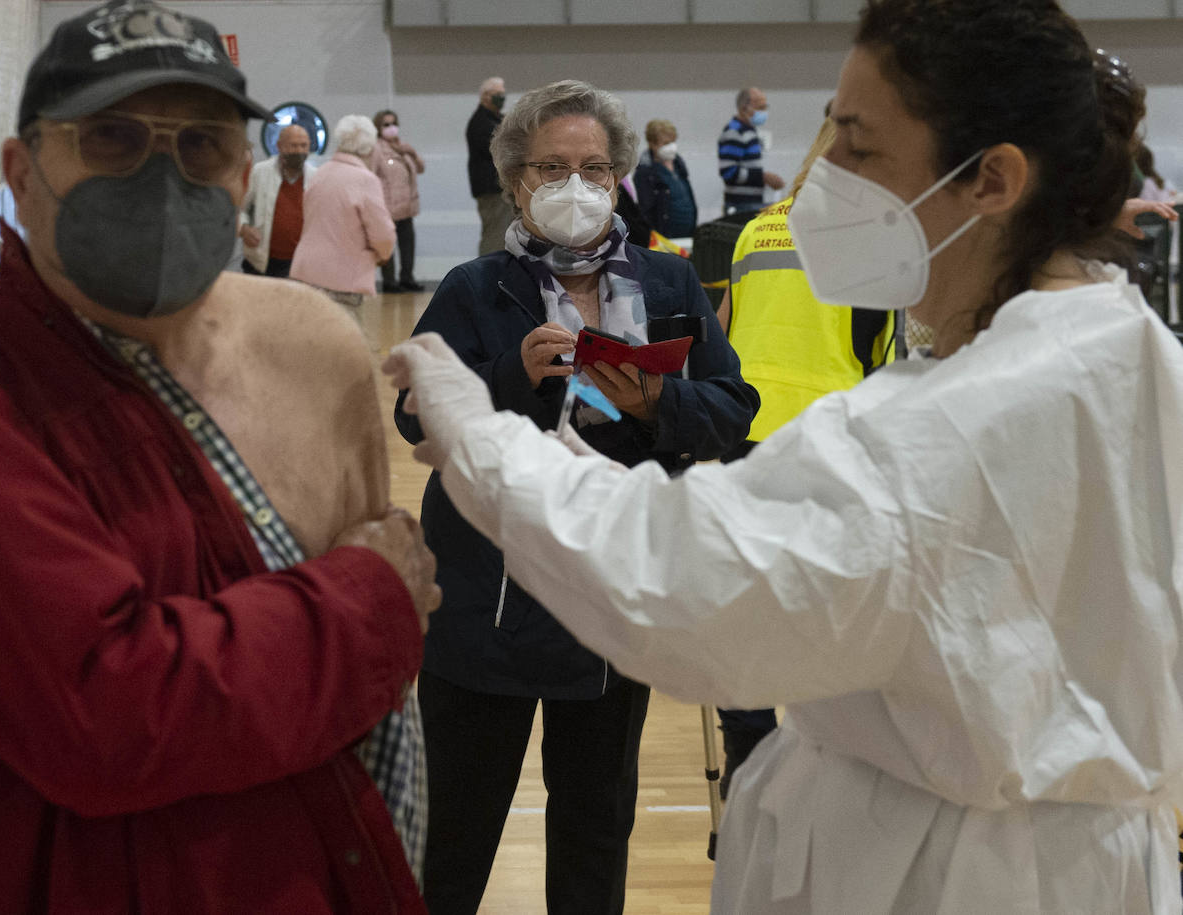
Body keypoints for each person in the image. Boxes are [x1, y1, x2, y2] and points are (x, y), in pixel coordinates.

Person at [384, 2, 1183, 912]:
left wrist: (477, 431)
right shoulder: (1126, 344)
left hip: (953, 876)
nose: (821, 177)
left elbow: (678, 588)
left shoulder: (943, 425)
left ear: (991, 180)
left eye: (856, 145)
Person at [0, 2, 439, 912]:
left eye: (202, 148)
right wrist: (372, 598)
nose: (162, 174)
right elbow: (105, 713)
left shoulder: (309, 349)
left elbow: (358, 717)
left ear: (241, 174)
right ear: (21, 172)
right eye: (110, 137)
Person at [394, 79, 759, 915]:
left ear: (620, 177)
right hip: (483, 602)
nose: (576, 186)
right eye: (553, 167)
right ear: (516, 179)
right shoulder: (473, 289)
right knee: (452, 835)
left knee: (596, 832)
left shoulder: (667, 287)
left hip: (609, 605)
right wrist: (510, 375)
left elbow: (733, 413)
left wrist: (653, 402)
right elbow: (415, 411)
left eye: (595, 168)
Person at [713, 113, 895, 797]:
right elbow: (880, 354)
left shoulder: (757, 229)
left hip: (746, 433)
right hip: (829, 438)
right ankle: (831, 755)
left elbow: (724, 330)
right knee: (831, 603)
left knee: (751, 600)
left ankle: (748, 750)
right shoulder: (874, 238)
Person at [289, 114, 396, 307]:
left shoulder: (319, 173)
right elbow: (383, 235)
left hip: (305, 273)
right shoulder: (365, 179)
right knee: (343, 336)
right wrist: (383, 254)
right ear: (369, 147)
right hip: (342, 278)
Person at [239, 123, 315, 277]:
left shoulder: (316, 177)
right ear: (279, 146)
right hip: (262, 263)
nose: (299, 151)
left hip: (300, 264)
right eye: (293, 145)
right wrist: (244, 229)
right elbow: (238, 209)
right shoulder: (260, 172)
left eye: (304, 146)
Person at [370, 109, 426, 293]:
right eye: (386, 124)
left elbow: (420, 169)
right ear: (378, 127)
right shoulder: (376, 149)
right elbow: (370, 175)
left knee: (408, 244)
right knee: (388, 245)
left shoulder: (403, 147)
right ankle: (389, 281)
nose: (391, 127)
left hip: (407, 206)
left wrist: (412, 153)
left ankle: (407, 277)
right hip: (388, 206)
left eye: (394, 123)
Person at [717, 87, 784, 216]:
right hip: (740, 205)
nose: (764, 112)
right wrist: (763, 177)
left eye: (765, 107)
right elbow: (728, 172)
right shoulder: (734, 132)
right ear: (744, 108)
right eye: (760, 108)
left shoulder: (750, 131)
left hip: (752, 202)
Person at [467, 76, 515, 255]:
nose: (502, 98)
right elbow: (501, 150)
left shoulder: (495, 119)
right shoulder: (481, 123)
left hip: (498, 188)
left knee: (502, 235)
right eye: (498, 94)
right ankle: (486, 276)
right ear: (485, 96)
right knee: (495, 236)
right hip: (491, 190)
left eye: (503, 94)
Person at [633, 118, 698, 238]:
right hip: (665, 236)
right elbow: (647, 210)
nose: (671, 147)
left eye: (672, 142)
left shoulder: (678, 163)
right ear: (652, 144)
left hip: (687, 233)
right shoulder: (645, 172)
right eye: (666, 143)